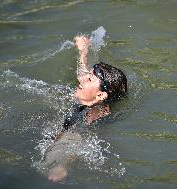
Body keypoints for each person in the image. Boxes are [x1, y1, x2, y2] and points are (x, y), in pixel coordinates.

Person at [45, 36, 127, 182]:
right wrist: (83, 50)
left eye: (89, 79)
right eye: (88, 75)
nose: (81, 79)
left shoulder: (98, 113)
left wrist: (62, 165)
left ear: (101, 95)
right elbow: (82, 72)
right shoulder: (88, 96)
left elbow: (80, 140)